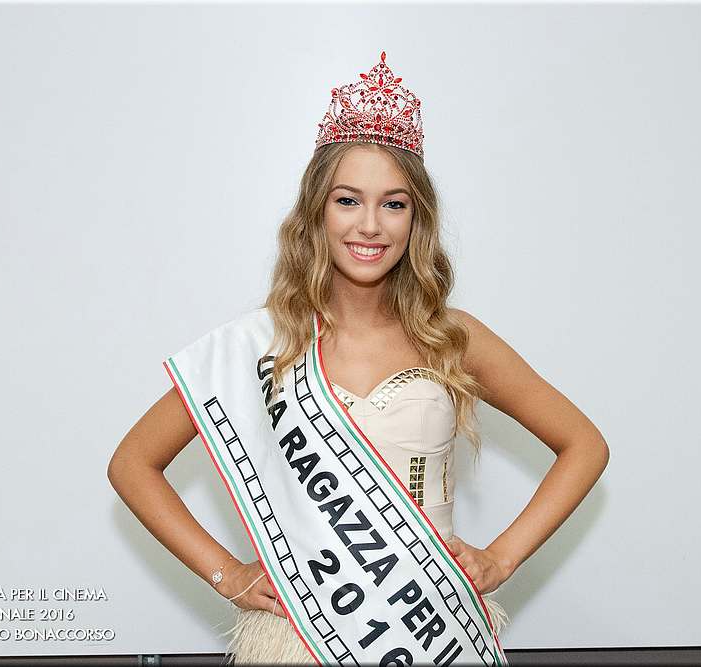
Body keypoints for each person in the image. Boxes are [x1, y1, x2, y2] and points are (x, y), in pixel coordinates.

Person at [108, 51, 610, 665]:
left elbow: (584, 444)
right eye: (348, 200)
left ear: (416, 220)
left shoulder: (453, 337)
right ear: (316, 212)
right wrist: (227, 574)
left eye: (394, 204)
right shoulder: (262, 344)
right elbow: (132, 463)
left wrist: (502, 558)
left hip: (430, 628)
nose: (370, 225)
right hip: (301, 636)